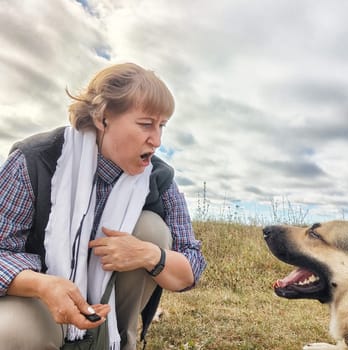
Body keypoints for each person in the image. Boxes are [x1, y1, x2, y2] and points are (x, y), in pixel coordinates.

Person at [0, 62, 206, 350]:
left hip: (114, 317)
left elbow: (191, 267)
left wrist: (148, 254)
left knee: (151, 229)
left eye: (162, 126)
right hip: (40, 306)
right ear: (102, 117)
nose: (157, 140)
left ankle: (119, 341)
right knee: (11, 331)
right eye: (146, 124)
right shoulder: (34, 161)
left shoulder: (159, 179)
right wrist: (41, 284)